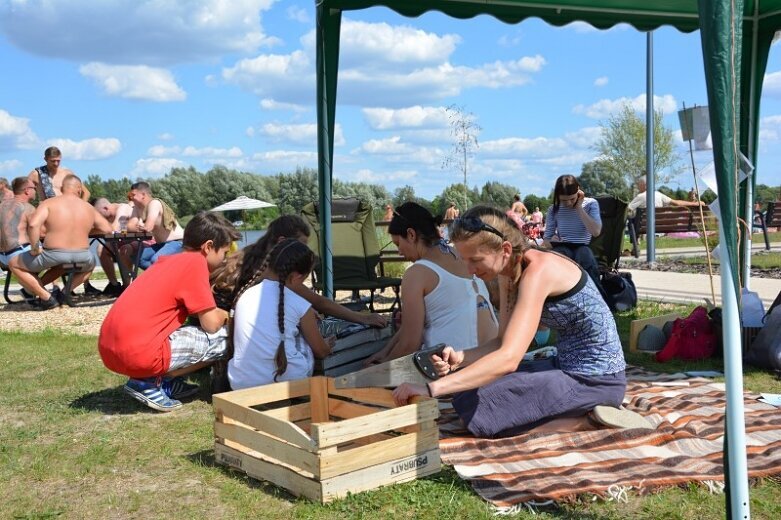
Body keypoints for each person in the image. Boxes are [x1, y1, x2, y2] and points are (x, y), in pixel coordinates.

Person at [392, 206, 636, 437]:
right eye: (464, 260)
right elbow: (501, 343)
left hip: (597, 380)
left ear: (505, 250)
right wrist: (459, 358)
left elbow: (509, 358)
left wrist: (431, 389)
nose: (469, 270)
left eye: (475, 260)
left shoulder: (539, 272)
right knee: (469, 396)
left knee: (490, 414)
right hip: (566, 366)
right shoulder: (509, 272)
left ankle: (587, 420)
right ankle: (581, 411)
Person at [98, 211, 241, 412]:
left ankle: (160, 379)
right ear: (208, 247)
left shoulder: (168, 261)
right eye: (224, 253)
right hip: (138, 354)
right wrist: (232, 315)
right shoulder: (195, 264)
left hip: (110, 350)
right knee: (228, 337)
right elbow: (211, 324)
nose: (225, 259)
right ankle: (150, 381)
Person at [365, 202, 497, 365]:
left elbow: (409, 345)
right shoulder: (462, 255)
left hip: (451, 367)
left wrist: (379, 368)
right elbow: (415, 323)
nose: (399, 252)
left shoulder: (417, 273)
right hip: (490, 361)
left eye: (398, 244)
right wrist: (385, 352)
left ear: (411, 234)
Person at [210, 214, 386, 328]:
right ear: (282, 241)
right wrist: (362, 318)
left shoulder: (250, 253)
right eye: (300, 244)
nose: (302, 251)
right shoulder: (271, 268)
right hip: (230, 324)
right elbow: (319, 301)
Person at [228, 239, 335, 389]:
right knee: (302, 339)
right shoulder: (300, 304)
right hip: (289, 382)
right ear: (297, 277)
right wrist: (326, 345)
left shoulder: (244, 295)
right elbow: (321, 352)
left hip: (241, 383)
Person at [9, 175, 112, 309]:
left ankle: (46, 298)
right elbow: (108, 229)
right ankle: (63, 294)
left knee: (14, 264)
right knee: (88, 267)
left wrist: (35, 248)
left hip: (54, 253)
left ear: (62, 188)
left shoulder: (49, 203)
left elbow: (34, 225)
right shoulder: (88, 207)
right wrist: (83, 230)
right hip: (83, 255)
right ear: (79, 190)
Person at [542, 175, 606, 300]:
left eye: (572, 199)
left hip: (584, 247)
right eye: (564, 200)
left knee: (583, 254)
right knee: (560, 253)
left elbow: (596, 231)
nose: (568, 203)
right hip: (563, 247)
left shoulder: (591, 204)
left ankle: (598, 297)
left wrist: (578, 208)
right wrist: (552, 242)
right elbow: (546, 240)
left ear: (579, 191)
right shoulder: (553, 209)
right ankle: (559, 298)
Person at [125, 181, 184, 269]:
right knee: (139, 259)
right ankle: (162, 278)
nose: (131, 198)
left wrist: (139, 226)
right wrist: (139, 227)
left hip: (176, 242)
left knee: (156, 260)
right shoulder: (137, 208)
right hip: (160, 244)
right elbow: (129, 227)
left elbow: (148, 227)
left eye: (133, 195)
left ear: (143, 195)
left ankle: (168, 278)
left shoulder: (154, 203)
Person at [93, 197, 135, 295]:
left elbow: (115, 229)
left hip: (135, 241)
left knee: (123, 249)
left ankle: (127, 286)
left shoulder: (123, 208)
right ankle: (114, 284)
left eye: (98, 215)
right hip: (121, 241)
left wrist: (98, 227)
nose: (98, 218)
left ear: (105, 208)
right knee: (100, 249)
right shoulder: (109, 216)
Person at [0, 177, 36, 268]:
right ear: (27, 190)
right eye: (34, 188)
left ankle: (34, 282)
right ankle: (40, 282)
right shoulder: (28, 208)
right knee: (61, 261)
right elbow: (41, 232)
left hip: (2, 257)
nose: (35, 190)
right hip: (19, 254)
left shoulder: (1, 205)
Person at [627, 178, 705, 217]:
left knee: (631, 220)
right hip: (660, 223)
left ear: (643, 185)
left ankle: (635, 245)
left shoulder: (640, 196)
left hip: (644, 226)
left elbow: (628, 209)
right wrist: (695, 203)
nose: (638, 186)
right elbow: (677, 203)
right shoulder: (659, 194)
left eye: (638, 185)